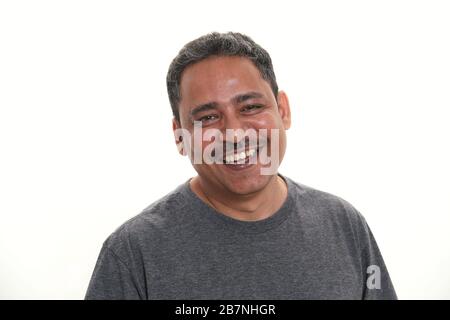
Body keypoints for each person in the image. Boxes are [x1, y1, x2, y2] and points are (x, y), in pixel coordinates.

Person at [85, 32, 397, 300]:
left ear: (283, 110)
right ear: (179, 136)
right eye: (208, 117)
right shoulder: (133, 253)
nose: (234, 133)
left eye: (250, 107)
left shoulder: (344, 225)